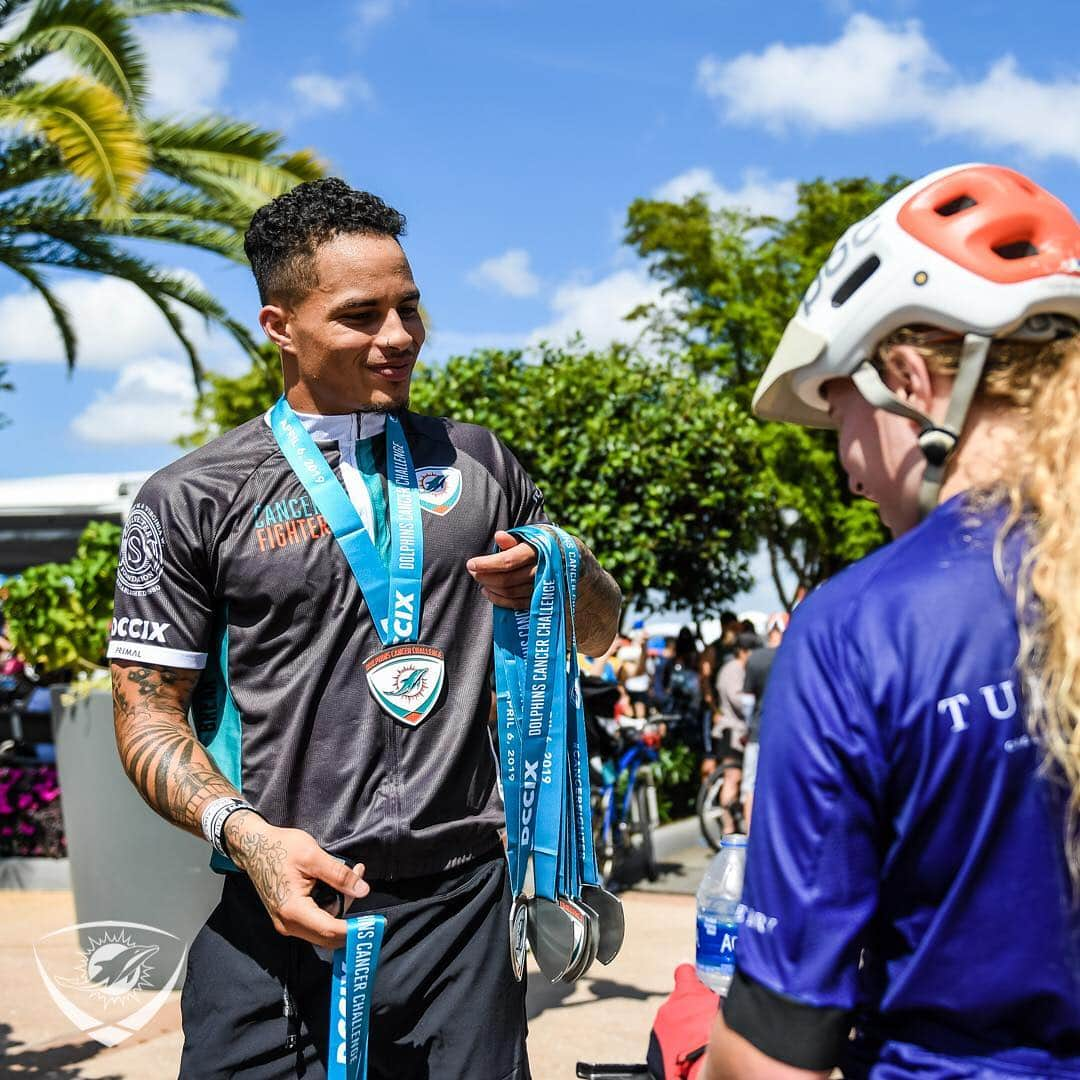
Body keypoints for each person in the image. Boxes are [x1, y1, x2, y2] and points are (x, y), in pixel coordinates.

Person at [107, 179, 622, 1080]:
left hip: (464, 915)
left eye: (409, 308)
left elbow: (598, 632)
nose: (399, 338)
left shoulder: (482, 463)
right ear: (279, 326)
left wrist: (563, 576)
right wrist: (248, 838)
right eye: (361, 316)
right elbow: (147, 713)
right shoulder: (190, 498)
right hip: (281, 907)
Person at [703, 164, 1080, 1077]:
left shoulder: (858, 626)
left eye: (839, 420)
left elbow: (775, 1058)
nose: (847, 470)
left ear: (908, 377)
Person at [739, 612, 786, 829]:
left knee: (751, 787)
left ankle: (750, 839)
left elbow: (747, 702)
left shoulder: (755, 658)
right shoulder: (793, 655)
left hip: (758, 732)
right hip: (787, 735)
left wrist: (747, 728)